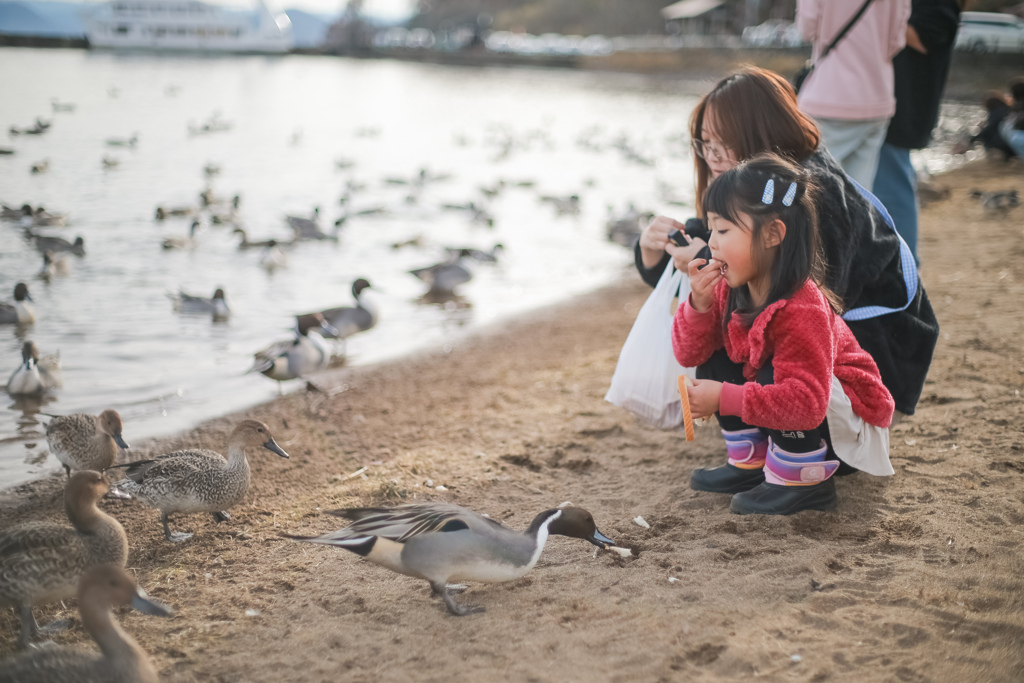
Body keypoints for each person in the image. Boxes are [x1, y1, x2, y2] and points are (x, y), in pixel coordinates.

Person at [636, 68, 937, 425]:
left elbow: (803, 297)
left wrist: (704, 257)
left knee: (742, 335)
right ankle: (753, 439)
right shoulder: (756, 187)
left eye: (723, 143)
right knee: (718, 326)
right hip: (831, 341)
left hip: (882, 360)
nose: (711, 157)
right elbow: (708, 252)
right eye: (705, 144)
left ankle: (786, 441)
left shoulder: (810, 192)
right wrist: (651, 251)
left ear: (760, 133)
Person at [674, 154, 895, 515]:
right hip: (804, 414)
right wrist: (698, 304)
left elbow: (806, 404)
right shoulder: (730, 288)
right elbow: (689, 354)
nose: (711, 243)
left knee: (773, 372)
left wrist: (724, 397)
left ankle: (804, 479)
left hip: (841, 432)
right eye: (710, 229)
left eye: (723, 230)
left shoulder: (802, 307)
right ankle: (751, 460)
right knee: (716, 354)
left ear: (773, 235)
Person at [873, 0, 962, 265]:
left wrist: (874, 14)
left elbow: (925, 38)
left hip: (903, 105)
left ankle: (904, 267)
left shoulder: (937, 5)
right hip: (889, 102)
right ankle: (900, 266)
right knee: (888, 185)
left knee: (893, 184)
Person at [796, 0, 910, 187]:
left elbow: (807, 29)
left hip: (828, 96)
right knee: (860, 190)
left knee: (814, 189)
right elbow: (896, 41)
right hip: (877, 95)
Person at [964, 91, 1017, 162]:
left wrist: (972, 139)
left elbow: (988, 129)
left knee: (986, 136)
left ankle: (994, 156)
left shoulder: (997, 112)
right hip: (1012, 141)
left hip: (1004, 145)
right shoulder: (1007, 110)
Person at [999, 77, 1024, 161]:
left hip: (1017, 139)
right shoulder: (1016, 109)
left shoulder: (1016, 109)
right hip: (1018, 139)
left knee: (1006, 127)